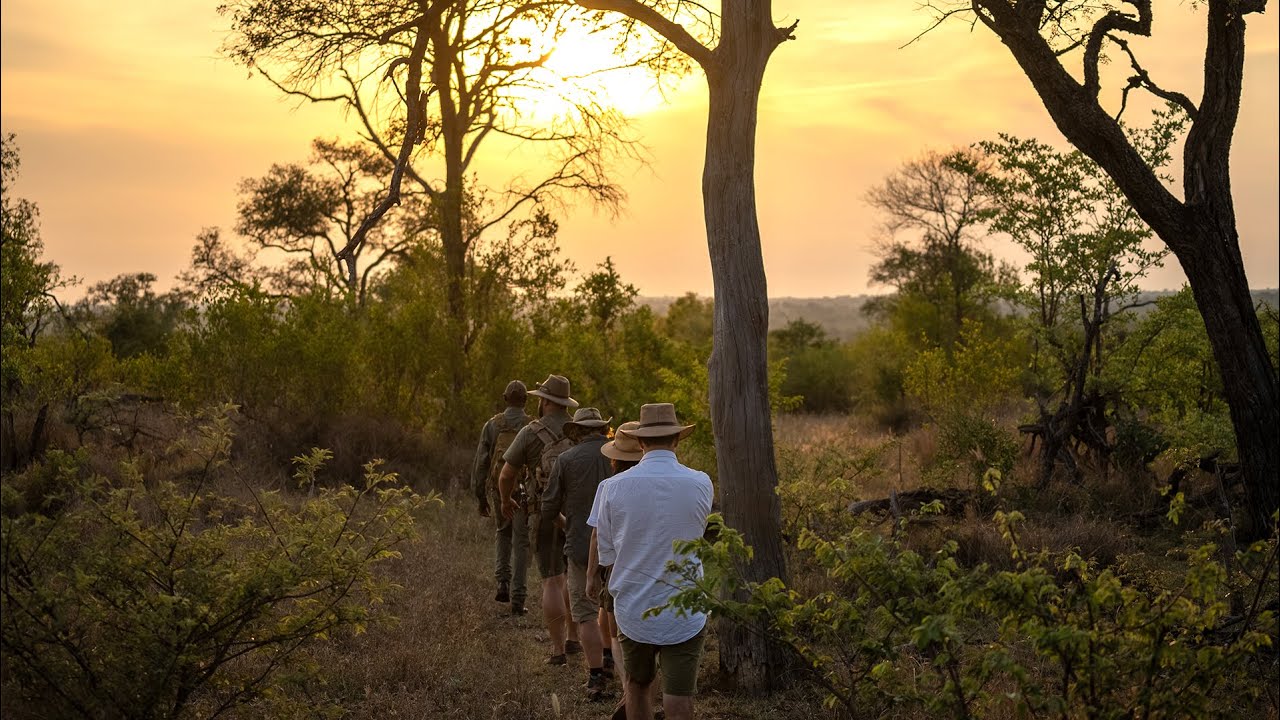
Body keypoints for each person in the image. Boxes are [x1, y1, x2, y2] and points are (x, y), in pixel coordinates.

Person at [588, 404, 712, 720]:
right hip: (686, 608)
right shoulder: (701, 482)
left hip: (633, 608)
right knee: (679, 696)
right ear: (677, 440)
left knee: (636, 685)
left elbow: (607, 556)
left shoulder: (612, 488)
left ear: (640, 443)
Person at [498, 373, 580, 654]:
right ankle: (573, 638)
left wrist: (505, 500)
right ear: (565, 403)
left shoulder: (530, 433)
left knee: (552, 580)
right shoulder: (580, 431)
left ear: (544, 401)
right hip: (576, 515)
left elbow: (506, 473)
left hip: (542, 513)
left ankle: (557, 650)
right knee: (571, 576)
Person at [540, 407, 613, 699]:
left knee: (585, 612)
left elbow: (548, 508)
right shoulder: (618, 456)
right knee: (612, 605)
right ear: (602, 429)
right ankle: (612, 657)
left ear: (577, 432)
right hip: (618, 545)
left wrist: (568, 524)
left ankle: (595, 676)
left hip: (581, 545)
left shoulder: (566, 460)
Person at [588, 421, 643, 717]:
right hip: (653, 569)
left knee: (617, 634)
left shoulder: (609, 487)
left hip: (618, 570)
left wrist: (591, 574)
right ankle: (642, 696)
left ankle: (628, 692)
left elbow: (598, 534)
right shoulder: (654, 483)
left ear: (615, 457)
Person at [470, 380, 532, 608]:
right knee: (521, 540)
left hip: (499, 489)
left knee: (503, 532)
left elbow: (482, 463)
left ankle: (502, 583)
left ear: (505, 399)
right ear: (525, 401)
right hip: (524, 491)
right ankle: (518, 598)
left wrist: (480, 496)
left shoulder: (492, 425)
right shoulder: (532, 426)